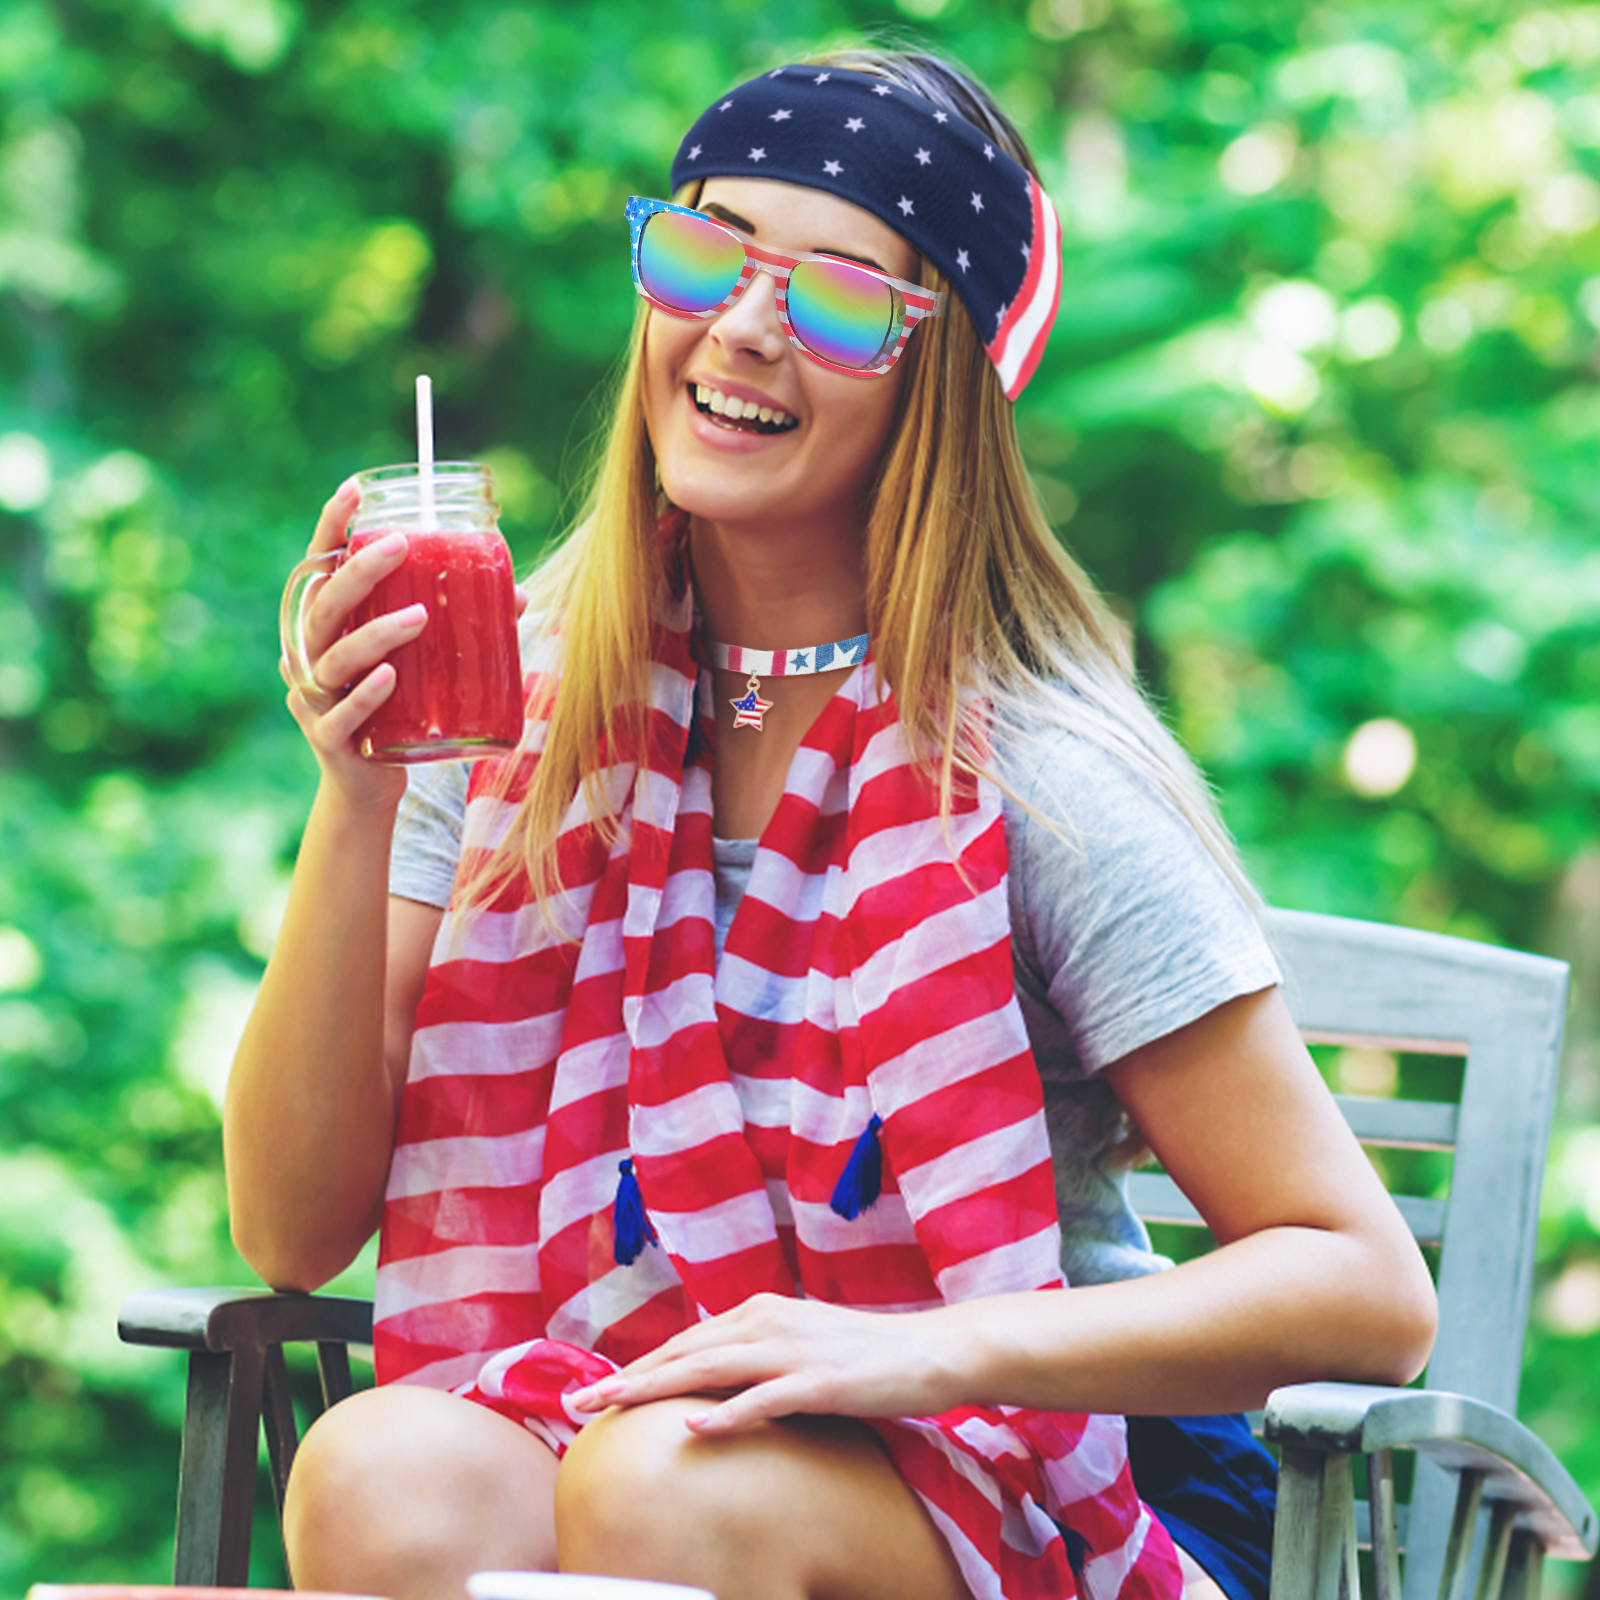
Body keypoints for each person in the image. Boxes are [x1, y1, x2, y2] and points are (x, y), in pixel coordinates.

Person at [225, 45, 1437, 1600]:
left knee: (664, 1482)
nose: (744, 326)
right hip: (652, 1429)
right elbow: (290, 1233)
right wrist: (359, 796)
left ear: (943, 386)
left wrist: (913, 1350)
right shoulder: (513, 708)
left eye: (844, 302)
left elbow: (1366, 1288)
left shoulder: (1046, 778)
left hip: (1060, 1478)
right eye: (705, 252)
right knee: (378, 1472)